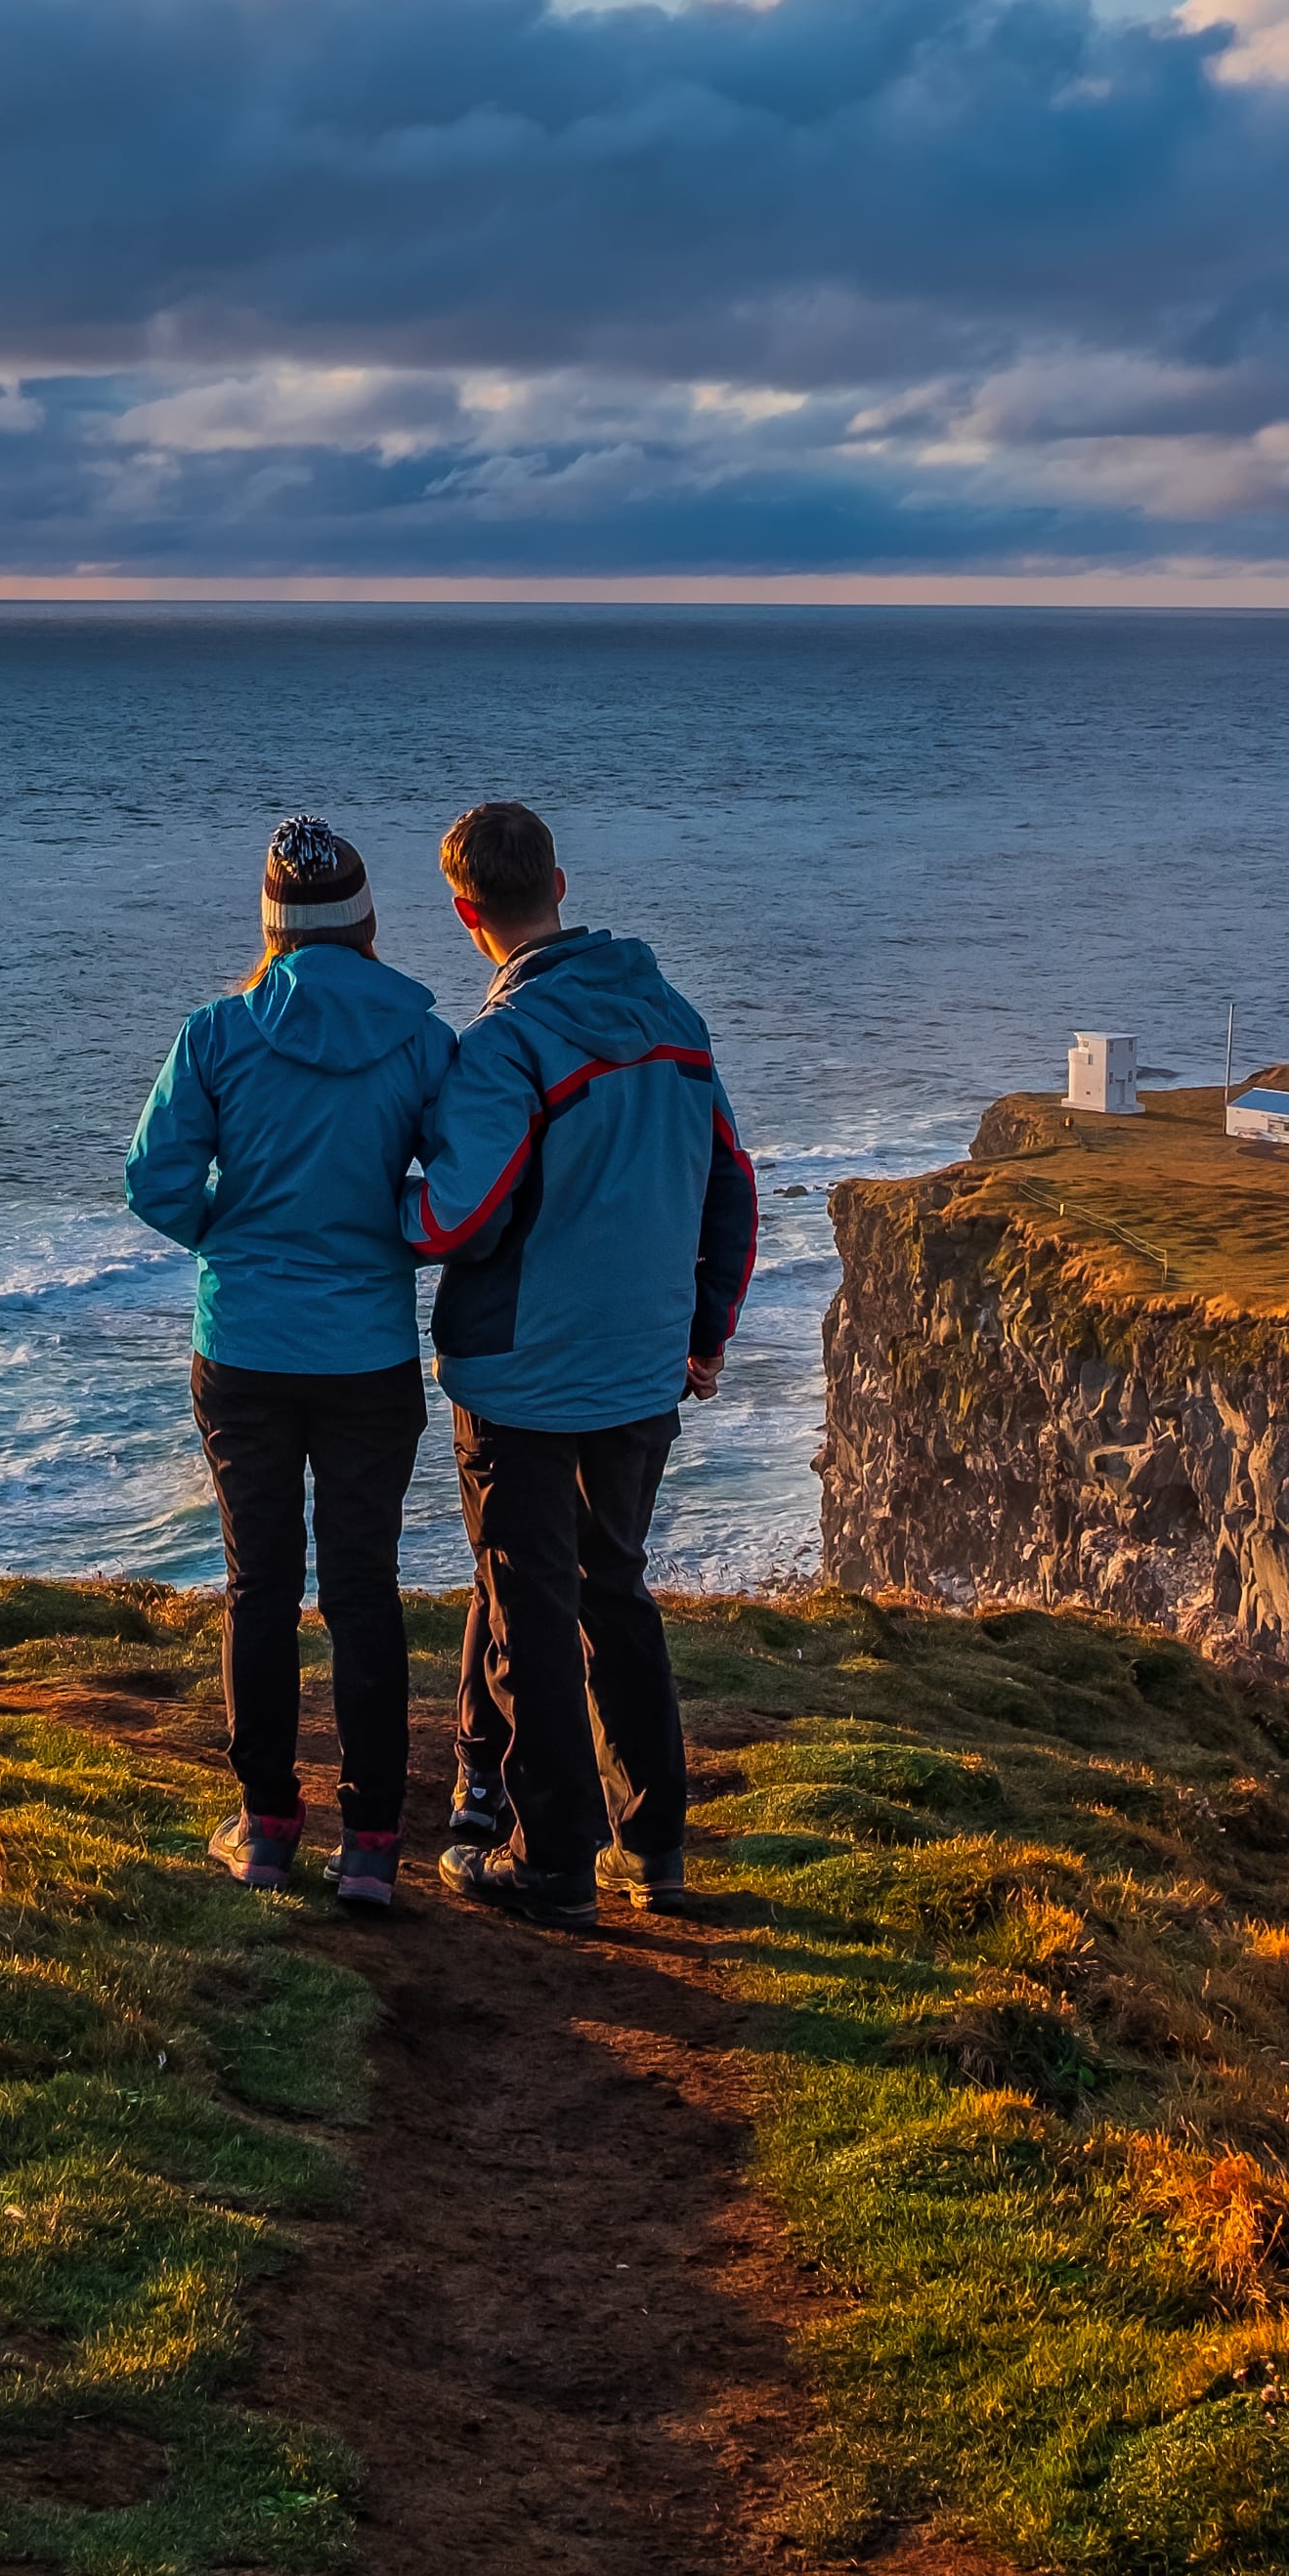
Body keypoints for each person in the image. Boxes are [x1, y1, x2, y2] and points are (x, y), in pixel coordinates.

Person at [405, 801, 757, 1929]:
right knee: (615, 1587)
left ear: (466, 915)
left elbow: (455, 1217)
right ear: (560, 881)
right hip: (640, 1364)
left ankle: (551, 1854)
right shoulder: (674, 1017)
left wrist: (378, 1203)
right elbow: (730, 1186)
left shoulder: (504, 1043)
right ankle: (651, 1843)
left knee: (528, 1604)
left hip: (520, 1367)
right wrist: (703, 1331)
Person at [125, 818, 455, 1911]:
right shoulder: (421, 1038)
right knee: (362, 1588)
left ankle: (266, 1823)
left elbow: (155, 1180)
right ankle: (369, 1841)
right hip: (366, 1349)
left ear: (267, 928)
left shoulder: (216, 1032)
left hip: (246, 1343)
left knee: (257, 1583)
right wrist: (388, 1226)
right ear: (365, 923)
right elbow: (458, 1184)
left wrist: (231, 1229)